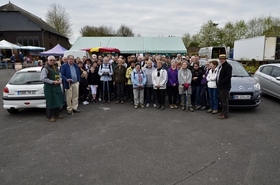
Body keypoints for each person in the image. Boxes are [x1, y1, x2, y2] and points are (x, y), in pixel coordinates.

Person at [40, 55, 64, 122]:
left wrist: (60, 80)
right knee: (50, 102)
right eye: (51, 60)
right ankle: (49, 117)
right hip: (49, 87)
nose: (52, 61)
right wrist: (52, 82)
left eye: (53, 60)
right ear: (47, 61)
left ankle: (56, 114)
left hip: (56, 86)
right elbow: (43, 78)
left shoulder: (56, 68)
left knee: (57, 100)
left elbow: (59, 75)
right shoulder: (45, 68)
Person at [217, 54, 232, 119]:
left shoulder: (228, 66)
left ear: (225, 59)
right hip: (220, 86)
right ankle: (223, 112)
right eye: (220, 59)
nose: (221, 60)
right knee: (222, 100)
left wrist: (221, 82)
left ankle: (225, 114)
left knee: (224, 101)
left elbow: (228, 76)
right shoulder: (221, 66)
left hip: (225, 86)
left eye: (223, 59)